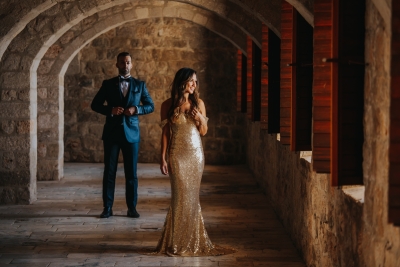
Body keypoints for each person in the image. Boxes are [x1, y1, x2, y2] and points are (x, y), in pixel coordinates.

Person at [154, 67, 235, 256]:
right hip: (176, 155)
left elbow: (203, 132)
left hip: (195, 155)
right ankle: (175, 242)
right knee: (178, 197)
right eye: (191, 81)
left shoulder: (198, 103)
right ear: (182, 82)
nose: (194, 84)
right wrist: (163, 158)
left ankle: (192, 241)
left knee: (192, 198)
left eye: (196, 82)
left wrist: (200, 118)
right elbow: (165, 133)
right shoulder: (167, 105)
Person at [91, 52, 154, 219]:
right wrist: (109, 110)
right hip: (111, 133)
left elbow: (150, 106)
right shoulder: (108, 84)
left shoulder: (140, 85)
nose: (125, 65)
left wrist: (136, 109)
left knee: (131, 173)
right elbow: (95, 104)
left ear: (131, 64)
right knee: (109, 172)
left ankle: (131, 208)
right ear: (117, 64)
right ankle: (107, 208)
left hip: (132, 134)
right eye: (122, 62)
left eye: (128, 62)